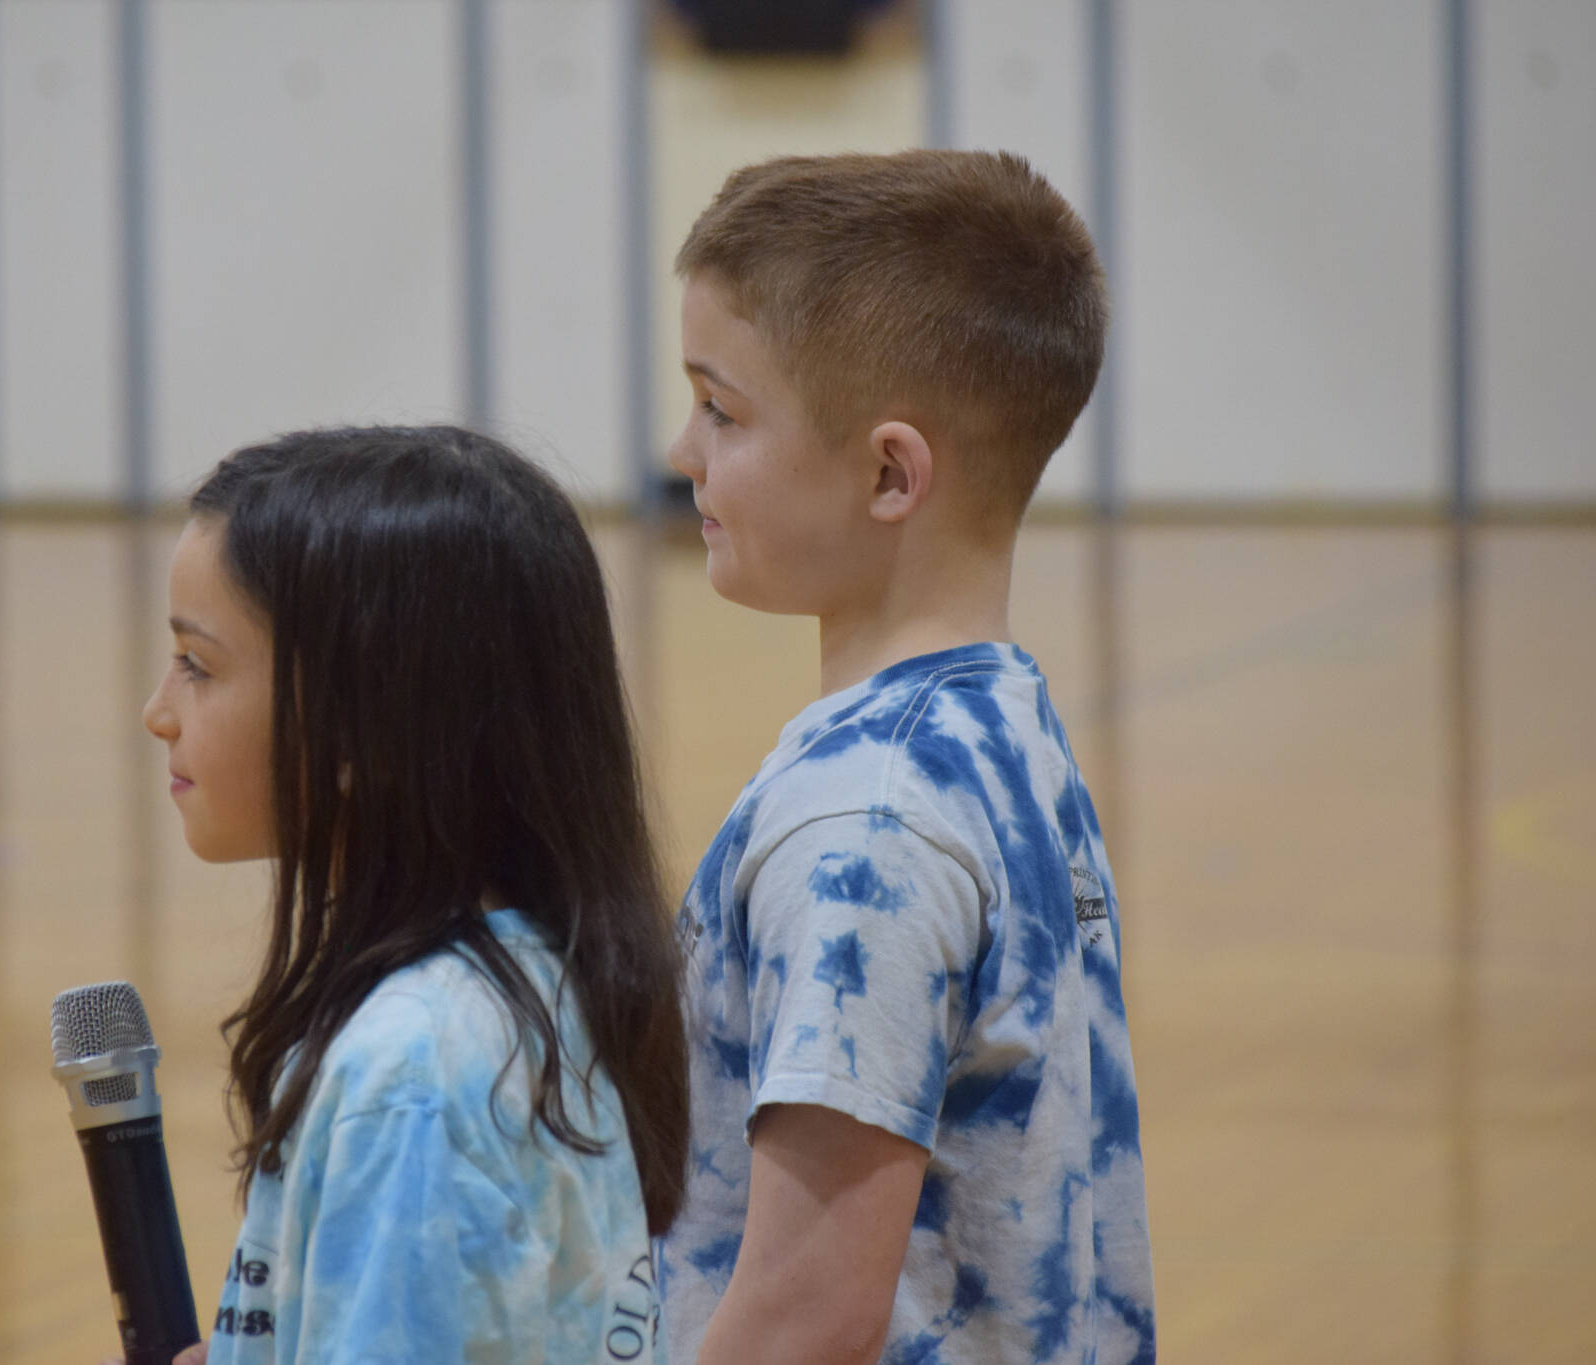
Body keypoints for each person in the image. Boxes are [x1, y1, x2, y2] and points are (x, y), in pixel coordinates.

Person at [651, 150, 1155, 1363]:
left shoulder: (864, 825)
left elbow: (802, 1315)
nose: (682, 449)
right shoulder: (1002, 732)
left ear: (888, 472)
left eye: (722, 409)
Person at [136, 426, 687, 1364]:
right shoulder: (537, 978)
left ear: (359, 732)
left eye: (199, 664)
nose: (159, 711)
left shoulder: (411, 1072)